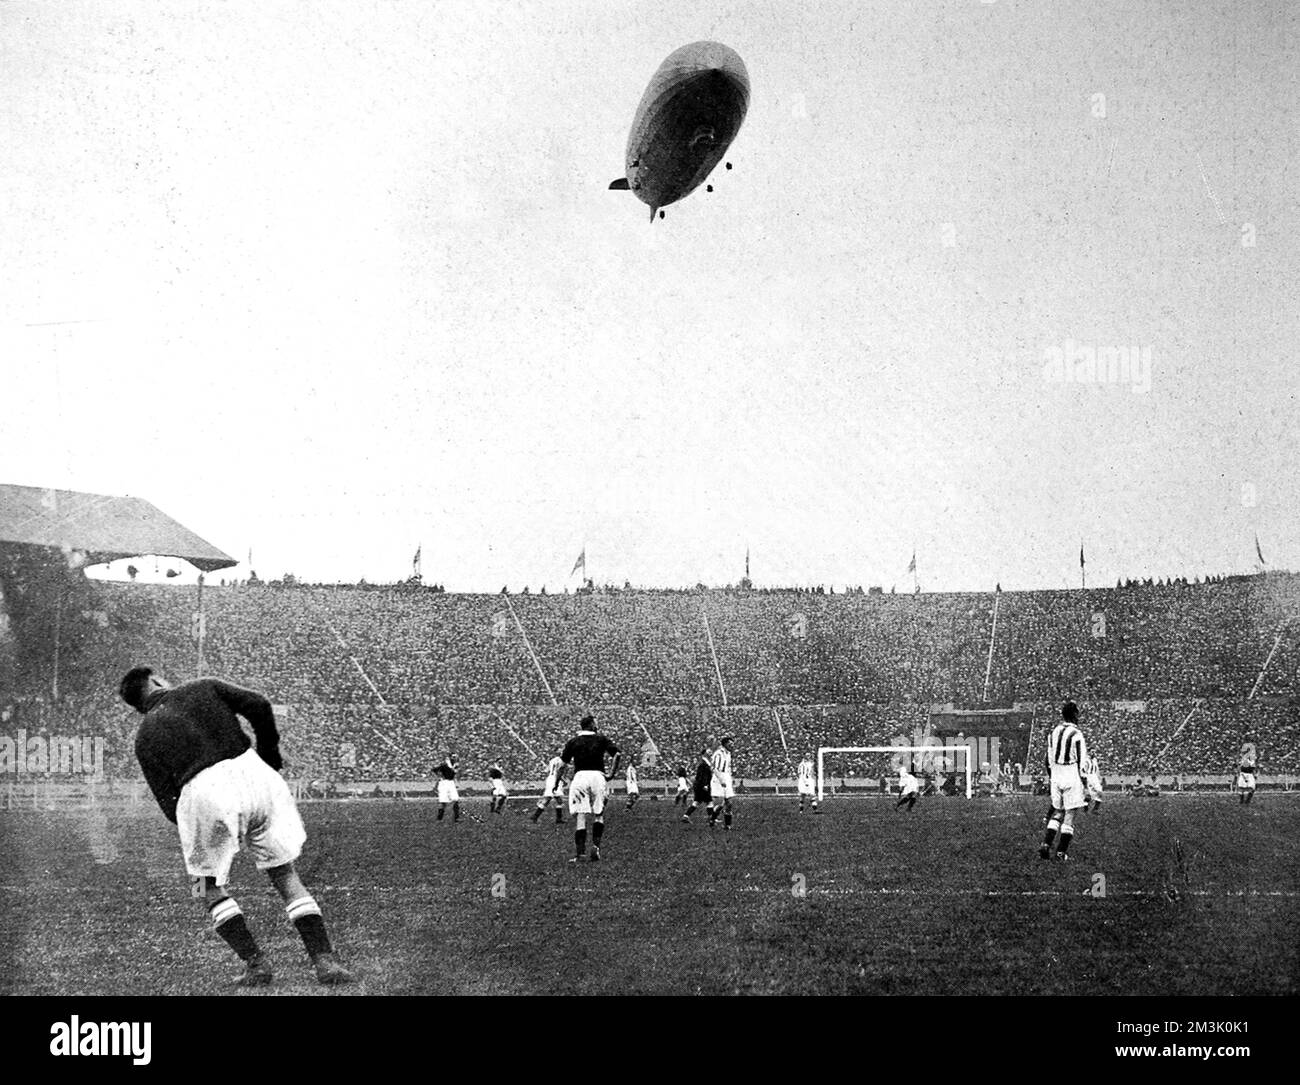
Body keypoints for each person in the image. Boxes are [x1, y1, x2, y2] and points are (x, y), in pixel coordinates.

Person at [119, 666, 351, 986]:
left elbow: (168, 803)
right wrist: (269, 755)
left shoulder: (144, 737)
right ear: (156, 681)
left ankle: (256, 964)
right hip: (256, 777)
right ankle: (324, 960)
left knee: (205, 885)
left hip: (202, 792)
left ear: (137, 705)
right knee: (284, 873)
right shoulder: (202, 686)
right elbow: (259, 704)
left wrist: (201, 827)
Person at [561, 715, 620, 862]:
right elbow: (617, 754)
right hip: (598, 777)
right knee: (599, 813)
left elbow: (563, 764)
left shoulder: (573, 741)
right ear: (591, 725)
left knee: (581, 816)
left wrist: (557, 781)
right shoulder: (601, 739)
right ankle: (596, 847)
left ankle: (580, 854)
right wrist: (611, 774)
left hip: (580, 777)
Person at [1039, 701, 1088, 861]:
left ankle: (1046, 844)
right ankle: (1061, 852)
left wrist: (1052, 777)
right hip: (1071, 772)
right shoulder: (1077, 734)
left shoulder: (1054, 732)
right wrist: (1085, 785)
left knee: (1058, 811)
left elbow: (1048, 758)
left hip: (1056, 773)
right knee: (1070, 814)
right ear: (1075, 715)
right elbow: (1082, 761)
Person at [708, 736, 736, 830]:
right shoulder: (718, 753)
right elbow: (714, 768)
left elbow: (728, 767)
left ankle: (727, 826)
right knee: (720, 803)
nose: (732, 745)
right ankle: (712, 819)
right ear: (724, 744)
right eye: (730, 744)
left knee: (729, 802)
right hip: (718, 778)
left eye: (733, 744)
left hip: (726, 777)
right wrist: (721, 779)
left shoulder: (728, 754)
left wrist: (730, 778)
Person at [531, 753, 568, 824]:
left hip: (550, 779)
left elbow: (548, 771)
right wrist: (561, 782)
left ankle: (535, 816)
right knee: (558, 800)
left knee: (548, 799)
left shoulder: (553, 760)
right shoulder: (563, 762)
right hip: (555, 780)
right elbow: (558, 773)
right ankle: (558, 819)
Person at [681, 747, 713, 823]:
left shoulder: (705, 762)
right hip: (702, 786)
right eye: (709, 751)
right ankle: (711, 818)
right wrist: (705, 785)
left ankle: (686, 816)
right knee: (709, 802)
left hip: (699, 785)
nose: (711, 753)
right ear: (704, 753)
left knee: (697, 802)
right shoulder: (703, 763)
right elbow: (702, 776)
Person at [435, 752, 461, 821]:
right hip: (444, 783)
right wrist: (440, 776)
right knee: (443, 801)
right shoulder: (445, 765)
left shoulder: (455, 765)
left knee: (456, 799)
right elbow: (435, 770)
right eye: (453, 757)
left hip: (451, 783)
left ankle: (456, 818)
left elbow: (453, 774)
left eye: (455, 757)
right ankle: (439, 818)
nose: (455, 758)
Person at [1237, 741, 1257, 805]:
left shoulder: (1250, 758)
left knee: (1251, 788)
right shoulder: (1245, 758)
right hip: (1244, 773)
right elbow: (1240, 766)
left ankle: (1246, 801)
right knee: (1241, 788)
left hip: (1249, 774)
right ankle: (1243, 801)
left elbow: (1253, 766)